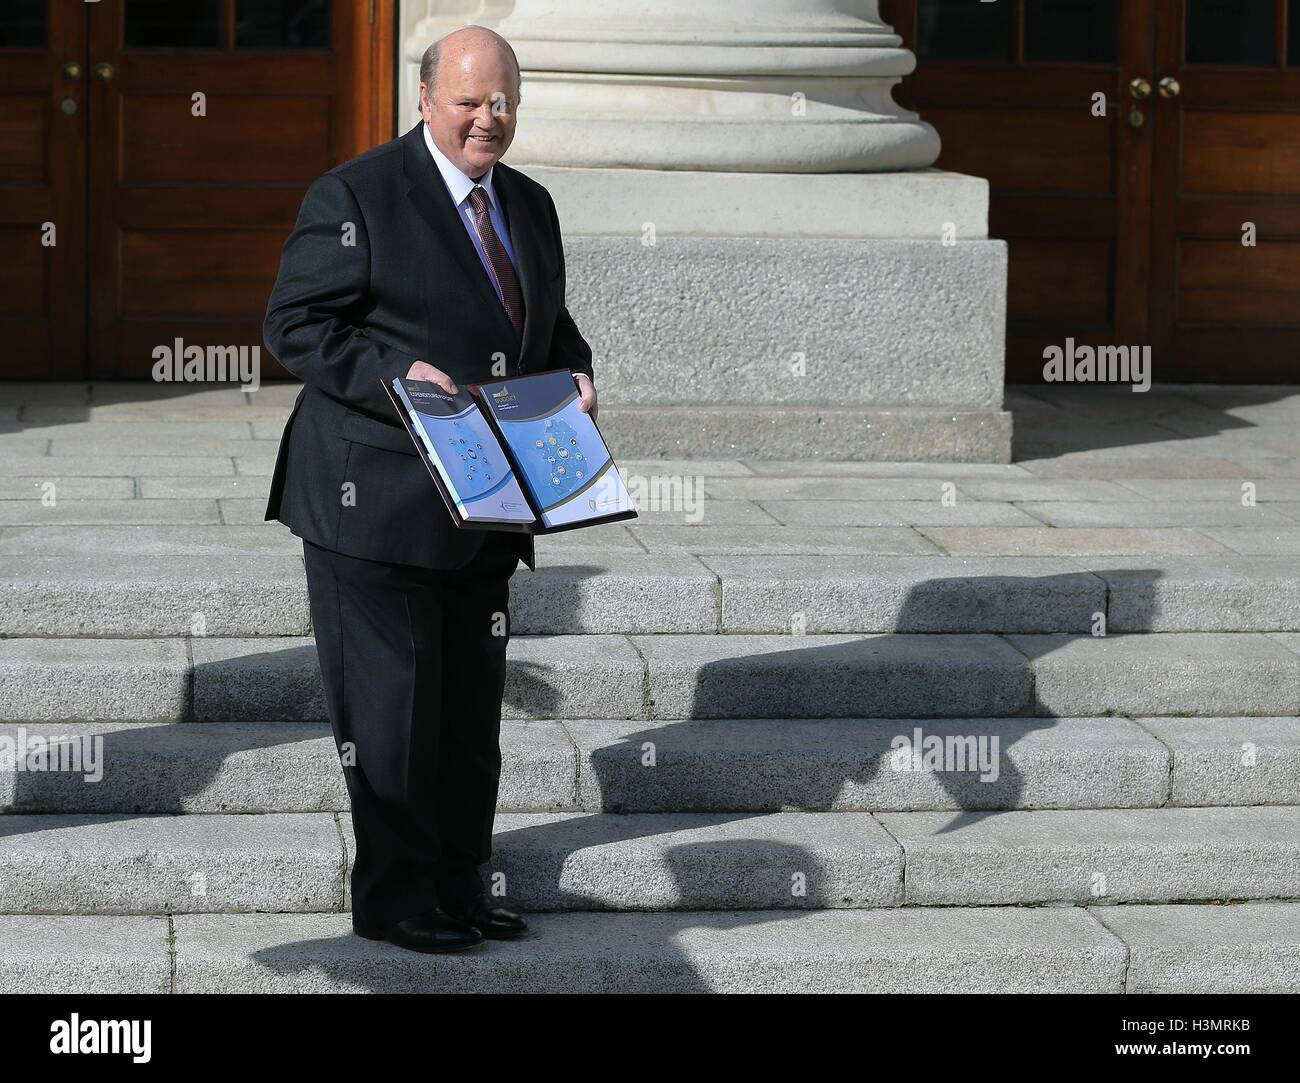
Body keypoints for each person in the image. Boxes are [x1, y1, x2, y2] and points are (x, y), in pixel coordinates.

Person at [262, 25, 597, 953]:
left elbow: (548, 325)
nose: (487, 119)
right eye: (468, 101)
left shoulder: (528, 204)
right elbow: (294, 324)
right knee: (393, 715)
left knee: (464, 718)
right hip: (374, 503)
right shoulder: (358, 193)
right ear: (424, 98)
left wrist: (573, 374)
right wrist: (397, 375)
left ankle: (459, 883)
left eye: (501, 103)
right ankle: (396, 899)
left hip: (490, 499)